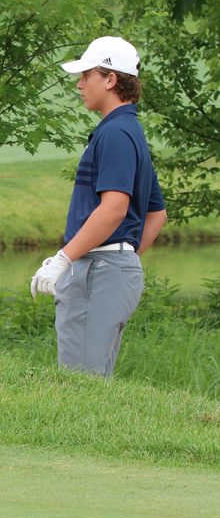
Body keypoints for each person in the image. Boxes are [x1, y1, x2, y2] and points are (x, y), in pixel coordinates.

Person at [30, 36, 168, 377]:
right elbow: (156, 213)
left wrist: (63, 259)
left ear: (110, 79)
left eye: (87, 75)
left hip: (100, 269)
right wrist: (127, 259)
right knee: (89, 381)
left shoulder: (117, 134)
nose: (79, 84)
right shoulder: (128, 131)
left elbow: (114, 209)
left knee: (80, 383)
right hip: (109, 267)